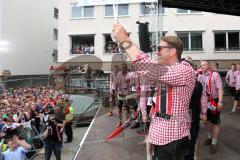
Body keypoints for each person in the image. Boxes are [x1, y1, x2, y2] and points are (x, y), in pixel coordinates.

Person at [112, 23, 195, 160]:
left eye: (160, 48)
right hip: (163, 134)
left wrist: (124, 39)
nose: (157, 52)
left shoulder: (184, 69)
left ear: (172, 51)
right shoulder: (169, 71)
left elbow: (150, 69)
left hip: (173, 137)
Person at [198, 61, 223, 154]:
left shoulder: (215, 75)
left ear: (208, 66)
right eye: (201, 65)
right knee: (206, 121)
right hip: (204, 102)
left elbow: (220, 88)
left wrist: (220, 101)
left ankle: (214, 143)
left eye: (204, 65)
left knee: (216, 122)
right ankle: (209, 137)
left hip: (214, 101)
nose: (202, 67)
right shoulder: (200, 76)